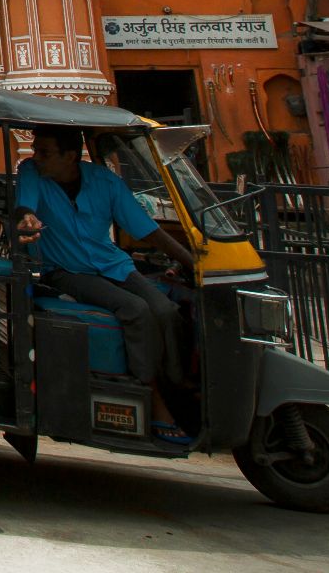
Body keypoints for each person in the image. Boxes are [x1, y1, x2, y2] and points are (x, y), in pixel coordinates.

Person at [15, 126, 197, 442]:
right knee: (136, 309)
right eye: (36, 150)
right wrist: (27, 219)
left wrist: (193, 263)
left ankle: (177, 384)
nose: (36, 157)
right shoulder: (31, 171)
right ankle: (152, 399)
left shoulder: (105, 182)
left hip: (112, 263)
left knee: (166, 310)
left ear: (70, 155)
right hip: (66, 270)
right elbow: (26, 207)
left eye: (45, 152)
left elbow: (147, 230)